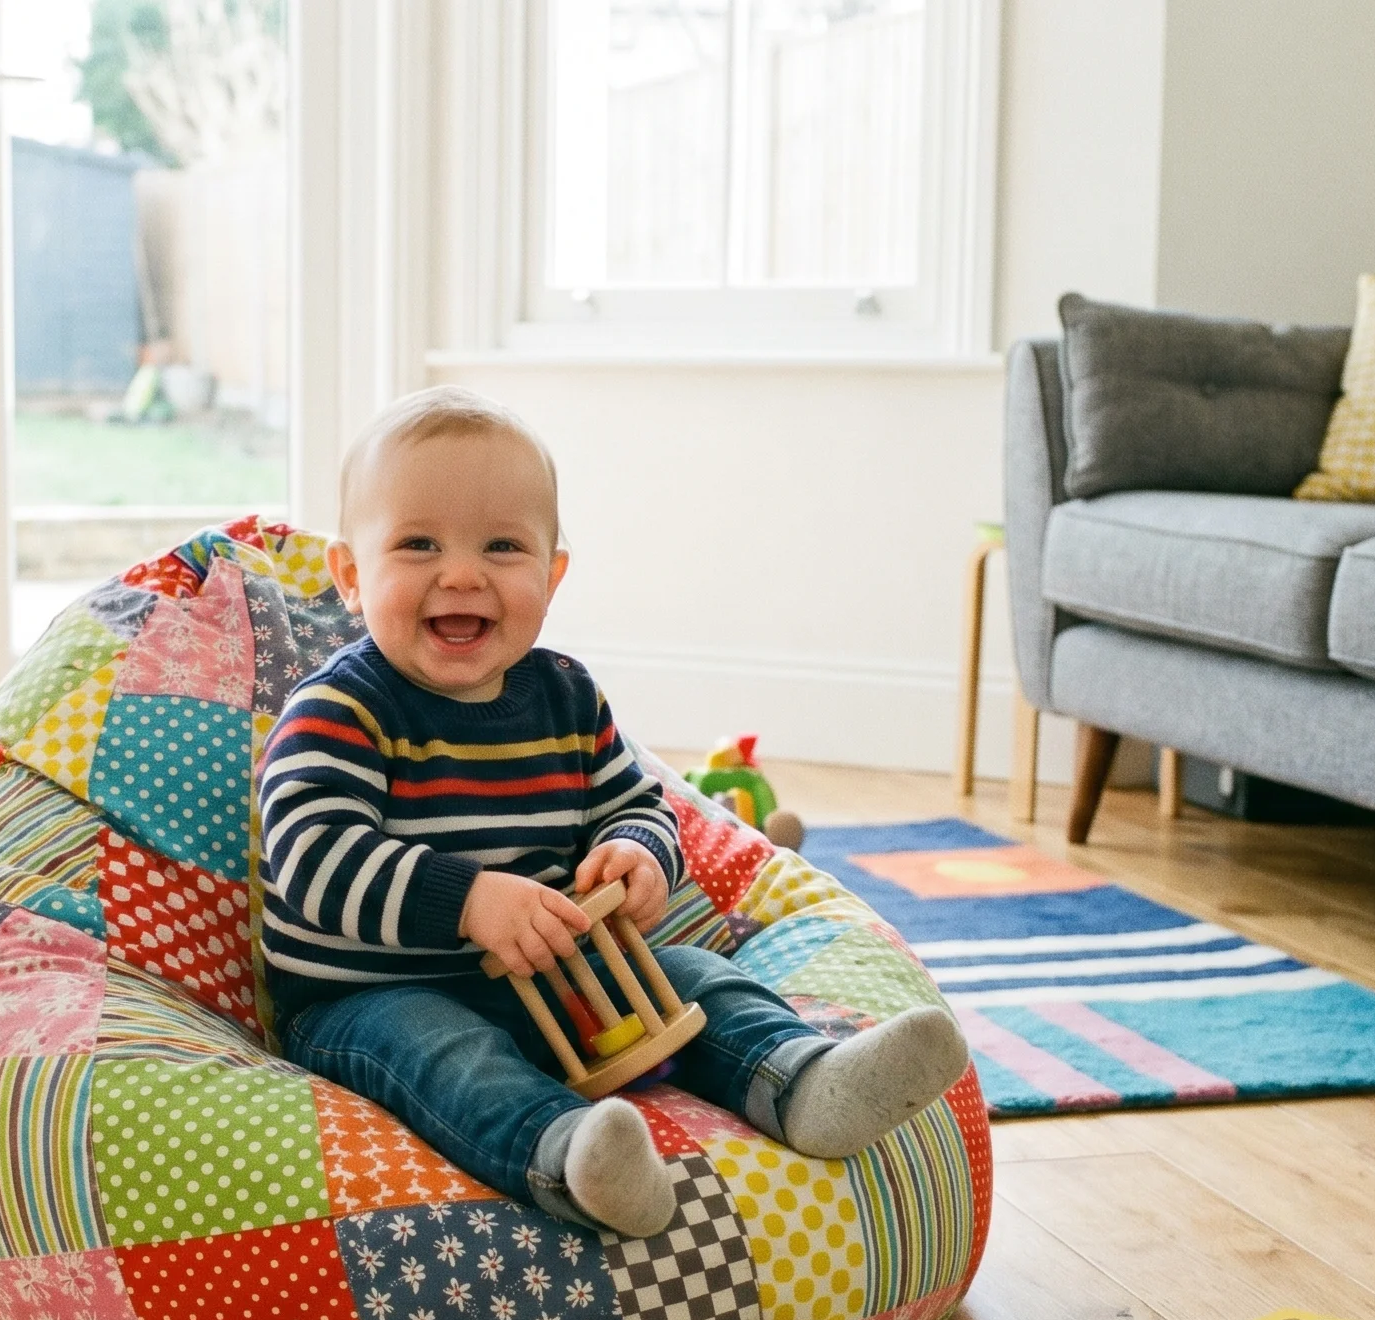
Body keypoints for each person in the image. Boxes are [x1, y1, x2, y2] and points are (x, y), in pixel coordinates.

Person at [255, 385, 969, 1237]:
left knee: (696, 980)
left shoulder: (567, 694)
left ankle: (804, 1082)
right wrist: (471, 900)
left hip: (558, 976)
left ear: (551, 576)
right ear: (349, 574)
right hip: (374, 995)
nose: (462, 573)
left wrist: (636, 853)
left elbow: (635, 799)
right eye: (417, 545)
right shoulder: (342, 709)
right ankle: (568, 1155)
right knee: (442, 1051)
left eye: (502, 547)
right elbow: (312, 854)